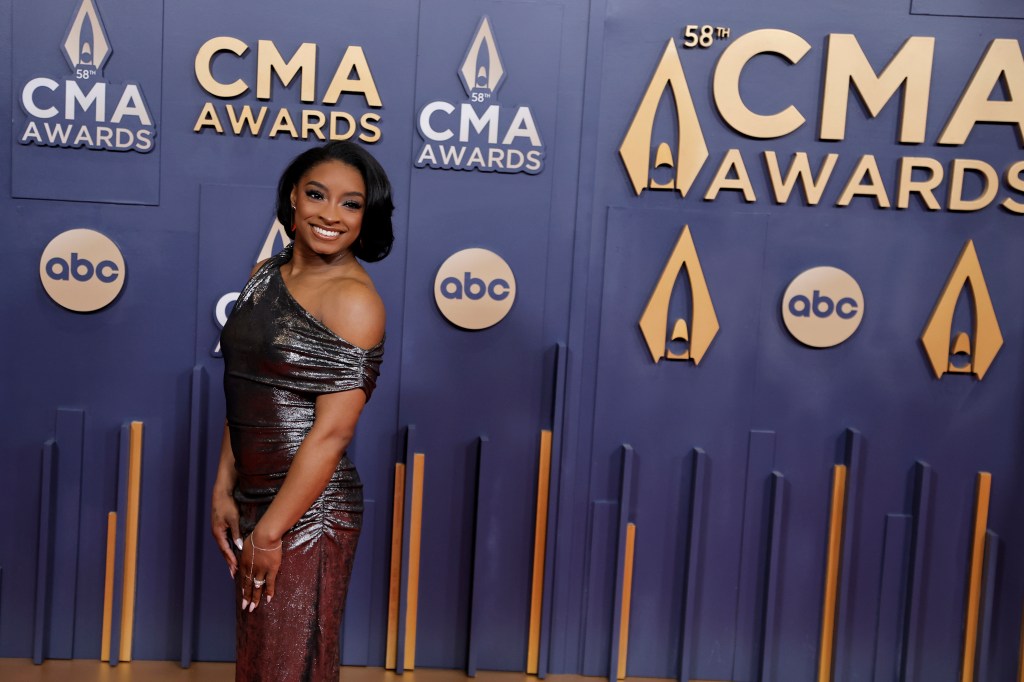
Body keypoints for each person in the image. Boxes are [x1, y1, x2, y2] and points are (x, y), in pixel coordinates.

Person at [210, 140, 394, 681]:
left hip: (307, 512)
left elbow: (332, 435)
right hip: (253, 498)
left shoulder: (355, 300)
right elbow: (245, 388)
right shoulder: (265, 273)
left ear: (367, 213)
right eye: (317, 195)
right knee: (262, 662)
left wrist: (270, 533)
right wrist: (225, 486)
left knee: (290, 665)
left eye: (351, 203)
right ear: (293, 197)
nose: (330, 214)